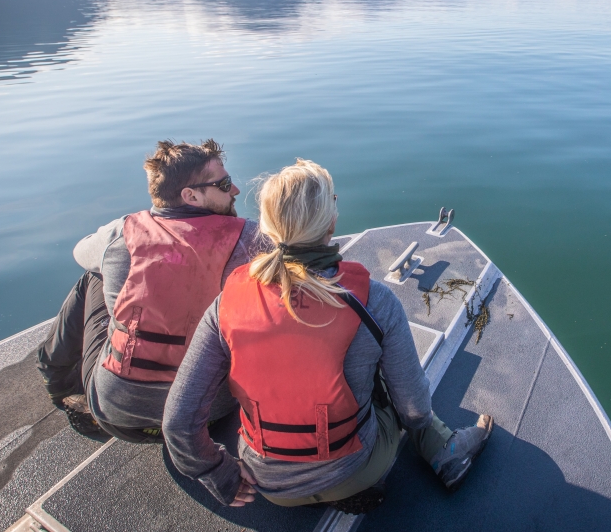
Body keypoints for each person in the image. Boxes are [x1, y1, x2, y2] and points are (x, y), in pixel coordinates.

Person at [163, 159, 493, 514]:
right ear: (331, 222)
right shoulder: (374, 302)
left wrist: (219, 475)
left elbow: (177, 422)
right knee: (378, 368)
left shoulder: (225, 304)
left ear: (268, 227)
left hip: (269, 485)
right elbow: (414, 410)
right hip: (356, 467)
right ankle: (446, 453)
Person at [36, 139, 268, 441]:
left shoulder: (123, 232)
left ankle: (59, 383)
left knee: (94, 275)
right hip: (208, 416)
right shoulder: (251, 238)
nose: (235, 190)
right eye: (224, 184)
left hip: (117, 414)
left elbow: (80, 253)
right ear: (191, 196)